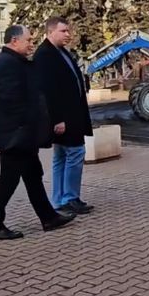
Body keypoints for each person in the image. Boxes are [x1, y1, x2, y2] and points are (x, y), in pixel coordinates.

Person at [0, 24, 75, 241]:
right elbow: (13, 102)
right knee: (8, 180)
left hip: (22, 134)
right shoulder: (7, 64)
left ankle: (48, 217)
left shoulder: (15, 62)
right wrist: (32, 124)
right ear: (14, 41)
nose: (31, 44)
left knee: (33, 176)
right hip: (15, 136)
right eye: (28, 40)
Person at [33, 16, 95, 216]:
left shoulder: (60, 52)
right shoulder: (44, 55)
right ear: (50, 32)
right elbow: (46, 91)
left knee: (61, 156)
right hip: (64, 118)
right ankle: (70, 198)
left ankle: (59, 199)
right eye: (63, 31)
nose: (68, 34)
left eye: (68, 31)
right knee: (76, 153)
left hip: (72, 115)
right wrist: (57, 118)